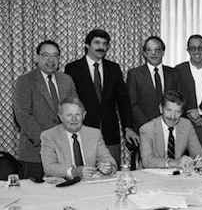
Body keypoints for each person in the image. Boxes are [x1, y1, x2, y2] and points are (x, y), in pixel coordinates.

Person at [65, 29, 138, 166]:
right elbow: (70, 102)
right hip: (83, 130)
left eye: (105, 44)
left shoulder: (114, 68)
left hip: (110, 133)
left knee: (112, 172)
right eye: (97, 43)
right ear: (87, 45)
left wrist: (127, 127)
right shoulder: (73, 69)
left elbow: (123, 100)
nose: (101, 47)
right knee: (86, 174)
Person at [13, 40, 77, 180]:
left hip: (64, 153)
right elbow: (23, 115)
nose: (51, 60)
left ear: (59, 59)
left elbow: (74, 111)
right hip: (34, 153)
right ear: (37, 58)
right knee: (35, 198)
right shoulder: (24, 81)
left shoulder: (67, 80)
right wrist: (47, 142)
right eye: (46, 55)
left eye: (55, 56)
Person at [41, 97, 117, 178]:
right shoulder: (49, 136)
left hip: (89, 185)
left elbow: (109, 160)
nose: (74, 119)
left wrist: (109, 167)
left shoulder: (94, 134)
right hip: (63, 185)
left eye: (77, 114)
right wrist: (73, 172)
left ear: (84, 115)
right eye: (69, 115)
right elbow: (48, 167)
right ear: (61, 117)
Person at [140, 90, 202, 168]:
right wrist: (173, 163)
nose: (173, 116)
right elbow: (147, 161)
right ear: (161, 109)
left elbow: (197, 151)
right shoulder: (147, 129)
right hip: (154, 175)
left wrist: (201, 159)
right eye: (169, 110)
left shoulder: (186, 125)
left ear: (182, 112)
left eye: (177, 112)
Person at [127, 36, 180, 131]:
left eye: (157, 49)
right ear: (144, 53)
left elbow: (178, 101)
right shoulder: (134, 74)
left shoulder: (174, 73)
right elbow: (132, 104)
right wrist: (148, 126)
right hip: (144, 128)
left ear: (163, 52)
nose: (153, 53)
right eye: (149, 50)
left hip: (170, 128)